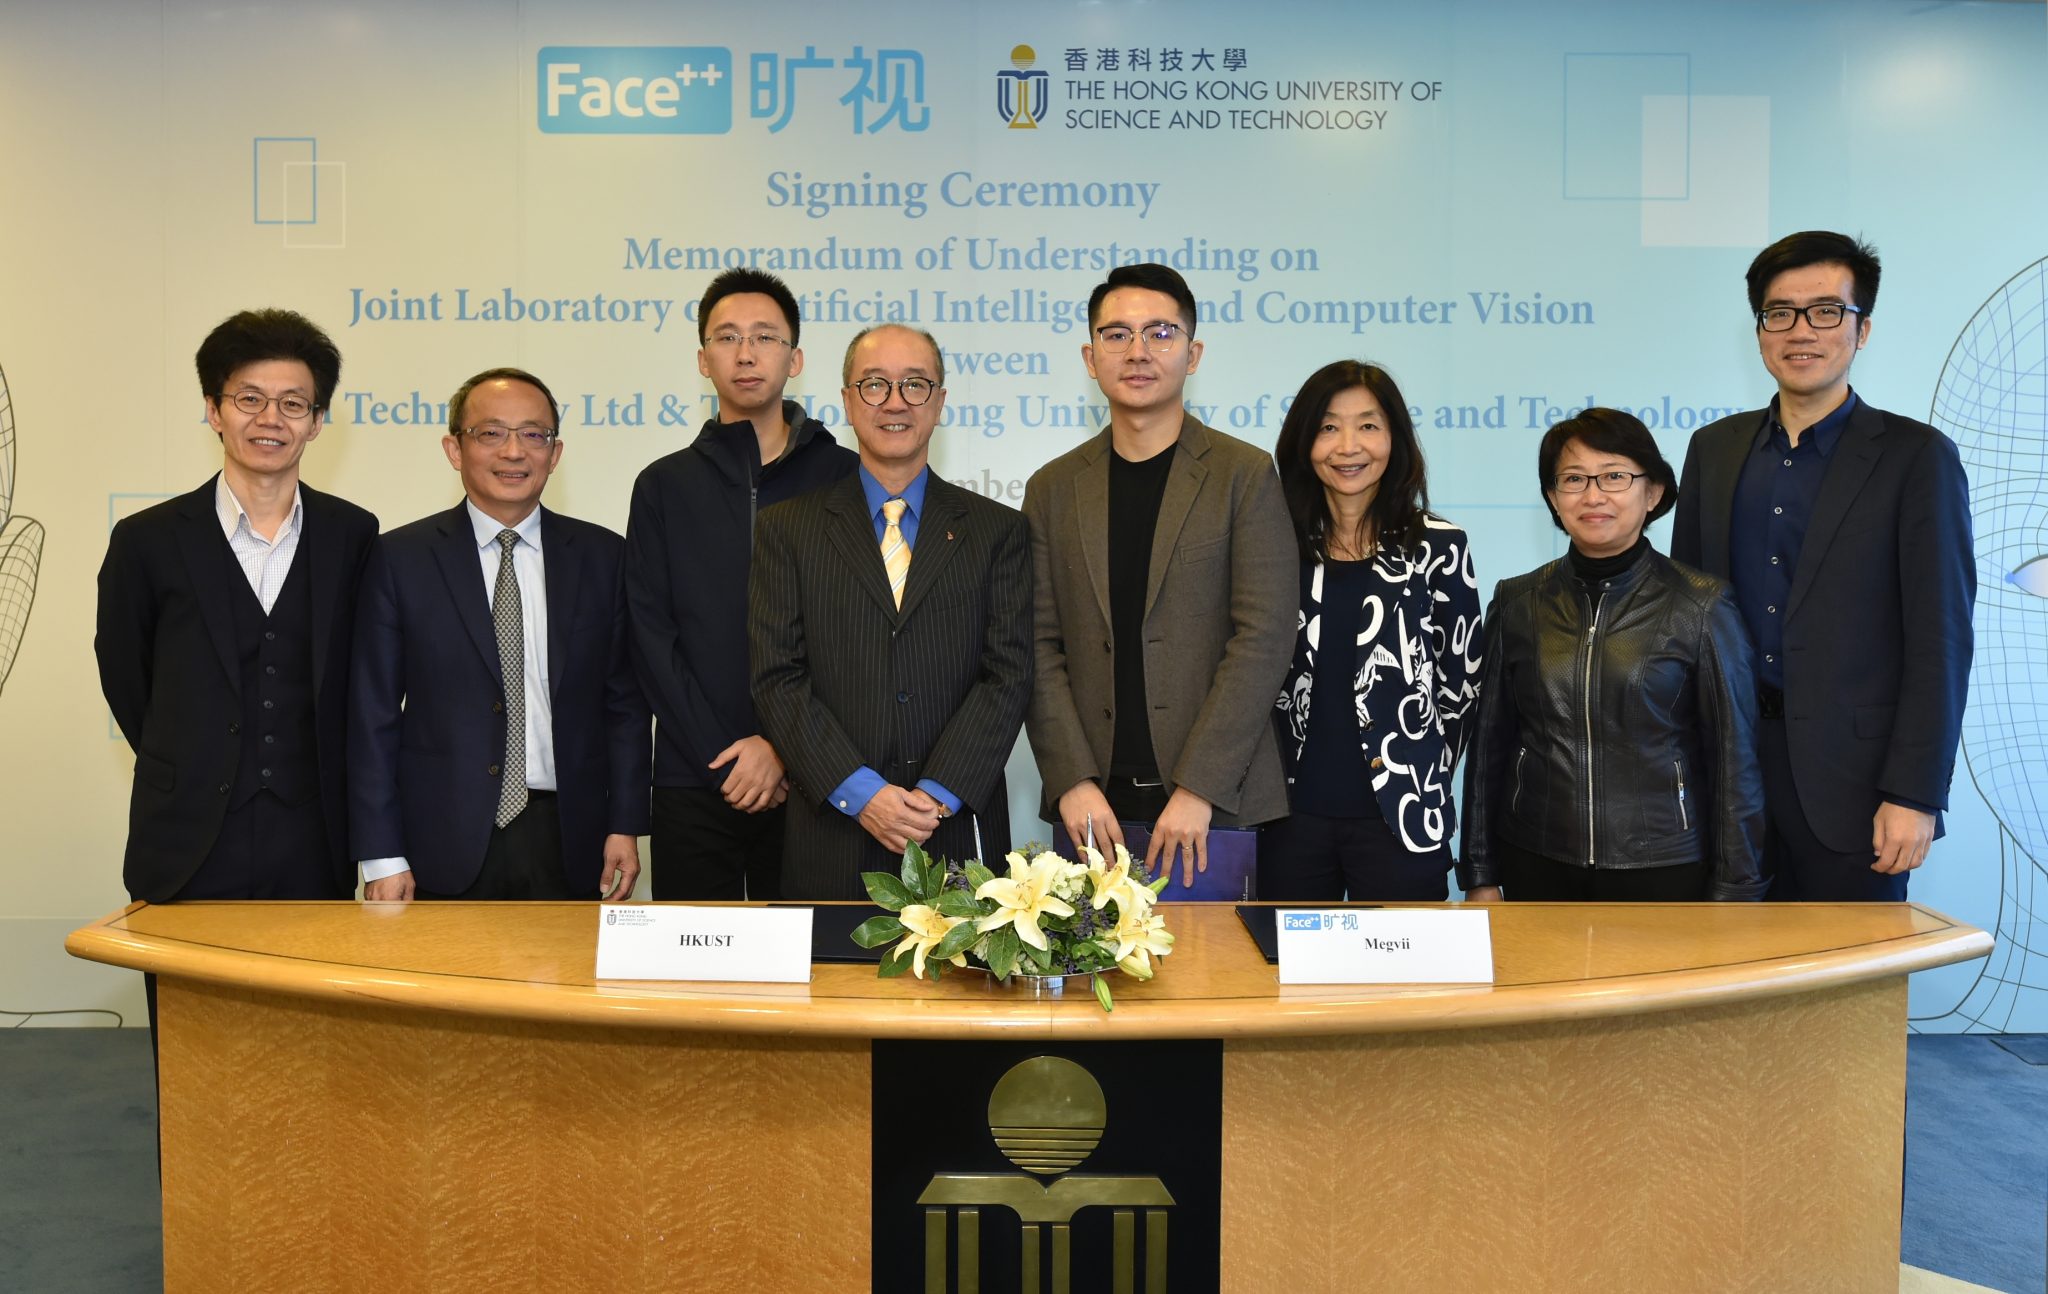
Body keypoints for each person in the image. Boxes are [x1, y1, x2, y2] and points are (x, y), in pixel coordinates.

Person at [1672, 231, 1974, 901]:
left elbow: (1941, 640)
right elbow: (1681, 625)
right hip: (1727, 779)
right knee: (1725, 989)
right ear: (1759, 331)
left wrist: (1914, 793)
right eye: (1780, 312)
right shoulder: (1713, 451)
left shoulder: (1916, 457)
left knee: (1846, 996)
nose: (1800, 330)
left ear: (1861, 329)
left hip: (1858, 789)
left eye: (1825, 311)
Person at [1022, 264, 1296, 887]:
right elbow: (1036, 647)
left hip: (1213, 808)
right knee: (1094, 981)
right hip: (1091, 815)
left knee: (1214, 982)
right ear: (1090, 358)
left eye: (1160, 333)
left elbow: (1264, 638)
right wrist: (1071, 780)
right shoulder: (1052, 489)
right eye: (1116, 335)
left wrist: (1199, 786)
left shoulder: (1243, 475)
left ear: (1193, 353)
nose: (1138, 351)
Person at [96, 308, 376, 905]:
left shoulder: (353, 535)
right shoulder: (146, 539)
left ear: (317, 421)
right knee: (185, 1003)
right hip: (184, 840)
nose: (270, 419)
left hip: (314, 841)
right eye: (249, 398)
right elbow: (126, 674)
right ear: (213, 409)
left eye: (293, 403)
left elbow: (364, 680)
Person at [749, 325, 1032, 899]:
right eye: (875, 385)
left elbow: (1008, 673)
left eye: (916, 385)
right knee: (832, 987)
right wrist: (862, 793)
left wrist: (936, 794)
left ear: (941, 402)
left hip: (954, 832)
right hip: (831, 828)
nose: (896, 402)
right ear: (849, 401)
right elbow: (777, 677)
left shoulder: (998, 531)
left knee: (959, 990)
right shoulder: (787, 530)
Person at [349, 368, 650, 902]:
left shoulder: (605, 557)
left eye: (534, 435)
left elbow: (623, 705)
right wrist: (381, 855)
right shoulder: (400, 559)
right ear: (454, 448)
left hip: (570, 838)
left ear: (555, 454)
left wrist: (624, 823)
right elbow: (371, 717)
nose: (514, 452)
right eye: (491, 433)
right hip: (438, 840)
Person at [1459, 408, 1765, 902]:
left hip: (1664, 865)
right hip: (1536, 859)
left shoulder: (1702, 605)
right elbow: (1489, 747)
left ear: (1653, 493)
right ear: (1554, 499)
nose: (1593, 495)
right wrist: (1479, 872)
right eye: (1574, 479)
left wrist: (1737, 891)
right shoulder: (1518, 602)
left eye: (1615, 476)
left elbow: (1736, 763)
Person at [625, 268, 857, 900]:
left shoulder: (847, 479)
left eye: (765, 337)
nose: (746, 353)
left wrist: (784, 749)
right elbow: (651, 637)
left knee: (819, 972)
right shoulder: (663, 486)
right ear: (703, 360)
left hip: (818, 779)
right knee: (695, 985)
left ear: (796, 358)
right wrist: (727, 754)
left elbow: (856, 638)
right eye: (727, 338)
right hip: (696, 776)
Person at [1265, 361, 1482, 901]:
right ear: (1303, 442)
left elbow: (1461, 687)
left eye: (1368, 425)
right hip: (1286, 820)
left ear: (1395, 439)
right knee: (1282, 981)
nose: (1348, 446)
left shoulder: (1440, 547)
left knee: (1404, 984)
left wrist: (1420, 770)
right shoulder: (1271, 546)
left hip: (1402, 818)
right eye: (1328, 427)